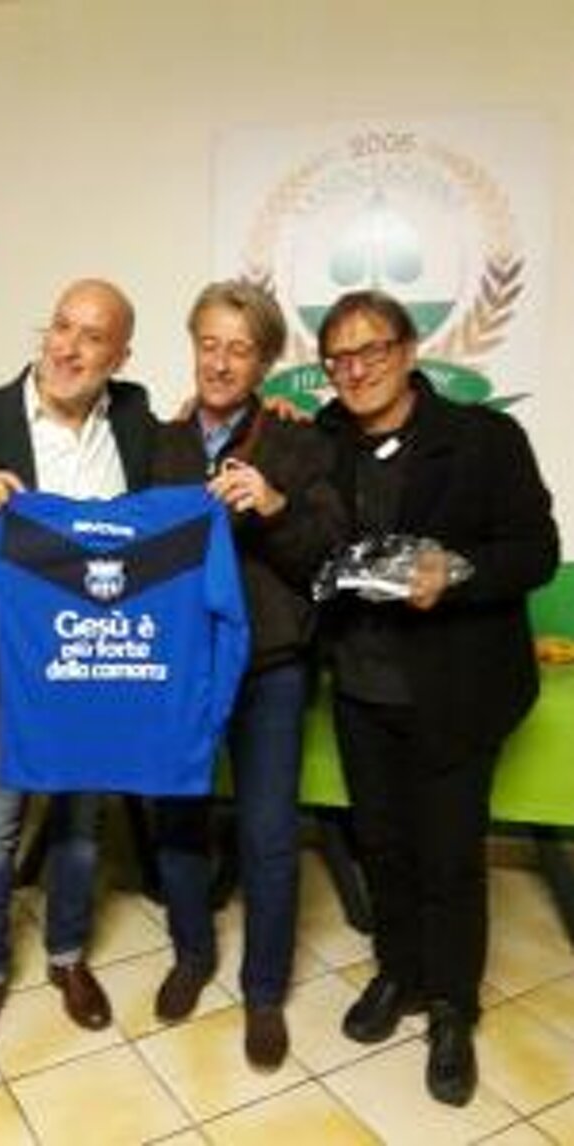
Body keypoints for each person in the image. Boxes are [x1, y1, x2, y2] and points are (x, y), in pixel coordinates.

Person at [314, 289, 559, 1105]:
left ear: (409, 351)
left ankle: (452, 1006)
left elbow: (535, 549)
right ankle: (400, 973)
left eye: (372, 350)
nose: (356, 370)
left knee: (449, 856)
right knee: (382, 844)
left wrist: (453, 575)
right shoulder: (322, 441)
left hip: (457, 688)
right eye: (339, 358)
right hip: (360, 687)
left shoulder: (484, 438)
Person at [0, 278, 155, 1059]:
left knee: (81, 822)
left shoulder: (135, 417)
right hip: (5, 660)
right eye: (61, 326)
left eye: (92, 337)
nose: (68, 347)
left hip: (93, 663)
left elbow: (176, 499)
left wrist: (272, 421)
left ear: (120, 357)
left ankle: (67, 957)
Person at [149, 280, 346, 1070]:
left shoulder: (299, 443)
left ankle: (263, 992)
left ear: (263, 362)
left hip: (270, 667)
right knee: (177, 818)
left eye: (239, 349)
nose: (221, 363)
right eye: (209, 344)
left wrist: (274, 506)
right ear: (193, 346)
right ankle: (192, 954)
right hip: (180, 668)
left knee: (267, 833)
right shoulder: (158, 443)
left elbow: (325, 559)